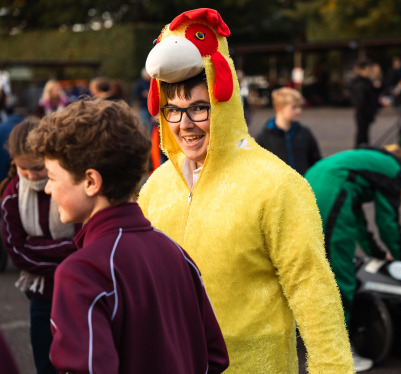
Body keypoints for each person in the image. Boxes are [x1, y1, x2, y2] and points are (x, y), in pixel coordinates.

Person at [139, 8, 353, 374]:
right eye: (172, 110)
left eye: (198, 109)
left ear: (224, 103)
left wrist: (332, 368)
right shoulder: (156, 187)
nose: (184, 125)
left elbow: (312, 289)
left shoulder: (277, 184)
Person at [27, 98, 229, 374]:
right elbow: (214, 358)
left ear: (90, 182)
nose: (48, 189)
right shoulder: (175, 252)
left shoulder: (82, 273)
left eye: (52, 176)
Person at [304, 145, 401, 371]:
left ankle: (312, 334)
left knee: (316, 269)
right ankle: (340, 354)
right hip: (330, 191)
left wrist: (378, 253)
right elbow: (388, 224)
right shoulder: (393, 169)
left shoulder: (369, 163)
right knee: (341, 277)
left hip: (311, 183)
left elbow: (358, 221)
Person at [0, 119, 78, 374]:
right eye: (24, 169)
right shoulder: (12, 195)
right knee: (45, 361)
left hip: (78, 291)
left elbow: (85, 241)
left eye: (38, 168)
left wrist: (37, 245)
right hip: (41, 294)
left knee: (81, 358)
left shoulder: (69, 187)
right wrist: (67, 251)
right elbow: (18, 253)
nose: (32, 176)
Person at [255, 87, 322, 175]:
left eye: (299, 106)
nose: (299, 111)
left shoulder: (305, 133)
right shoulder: (263, 137)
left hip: (303, 186)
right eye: (294, 107)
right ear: (279, 108)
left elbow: (316, 163)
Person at [350, 58, 379, 147]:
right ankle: (358, 153)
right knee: (361, 135)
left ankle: (362, 151)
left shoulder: (366, 81)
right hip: (363, 113)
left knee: (364, 135)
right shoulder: (360, 82)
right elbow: (360, 101)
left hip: (366, 112)